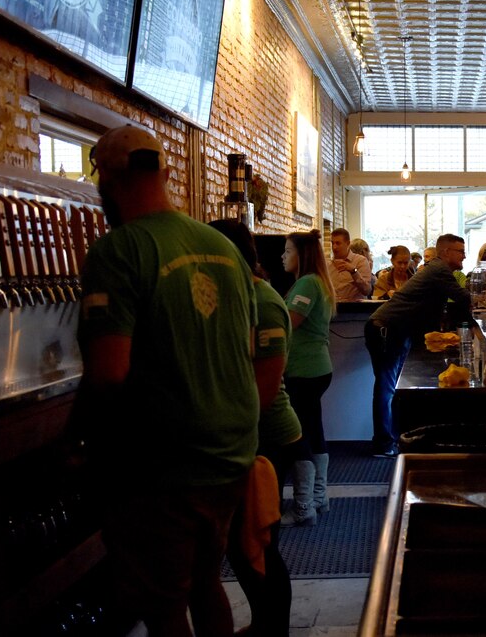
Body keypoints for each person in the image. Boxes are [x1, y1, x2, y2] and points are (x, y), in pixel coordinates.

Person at [77, 125, 258, 635]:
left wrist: (79, 437)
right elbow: (240, 350)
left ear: (107, 177)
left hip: (164, 464)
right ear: (166, 171)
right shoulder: (221, 248)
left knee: (162, 604)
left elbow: (109, 374)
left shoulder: (118, 250)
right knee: (206, 582)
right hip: (230, 452)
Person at [209, 219, 301, 637]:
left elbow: (263, 390)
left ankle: (272, 628)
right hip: (250, 434)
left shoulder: (262, 300)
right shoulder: (237, 294)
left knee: (259, 544)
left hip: (267, 437)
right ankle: (266, 624)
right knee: (249, 546)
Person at [365, 234, 472, 457]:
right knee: (386, 388)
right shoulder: (439, 270)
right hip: (386, 329)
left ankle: (389, 441)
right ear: (445, 253)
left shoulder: (437, 270)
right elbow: (464, 298)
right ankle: (383, 444)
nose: (464, 255)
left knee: (390, 387)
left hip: (393, 329)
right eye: (460, 251)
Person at [280, 230, 337, 526]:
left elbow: (288, 323)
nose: (282, 256)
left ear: (300, 255)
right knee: (313, 430)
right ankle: (318, 497)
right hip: (316, 368)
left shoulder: (307, 283)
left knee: (298, 435)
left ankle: (304, 506)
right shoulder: (318, 282)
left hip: (304, 370)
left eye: (287, 251)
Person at [328, 228, 371, 301]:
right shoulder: (328, 265)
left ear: (348, 244)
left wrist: (354, 271)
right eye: (332, 243)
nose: (334, 247)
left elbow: (366, 290)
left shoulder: (360, 261)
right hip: (332, 308)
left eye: (338, 243)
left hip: (353, 310)